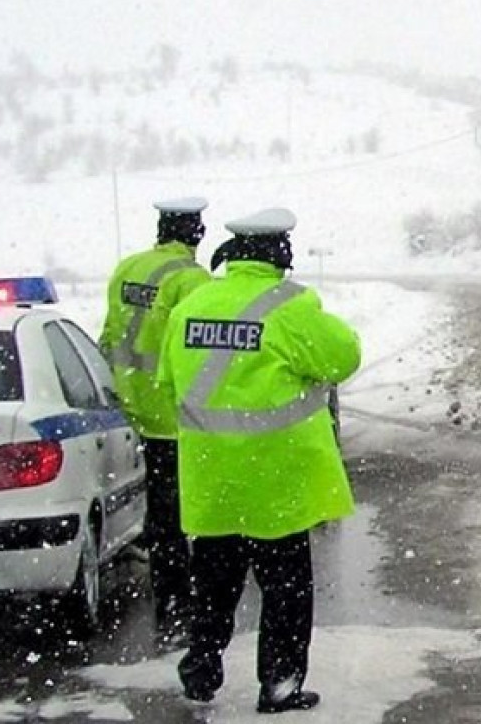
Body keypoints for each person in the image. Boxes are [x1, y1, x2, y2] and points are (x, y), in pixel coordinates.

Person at [158, 207, 361, 714]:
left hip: (212, 480)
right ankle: (279, 684)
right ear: (279, 253)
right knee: (286, 593)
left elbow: (168, 378)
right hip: (275, 482)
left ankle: (201, 669)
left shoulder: (193, 304)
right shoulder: (290, 307)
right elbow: (344, 357)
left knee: (213, 588)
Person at [99, 196, 212, 639]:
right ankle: (182, 605)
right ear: (196, 234)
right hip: (174, 416)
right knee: (185, 516)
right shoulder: (192, 280)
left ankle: (169, 603)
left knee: (160, 516)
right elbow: (198, 350)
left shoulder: (127, 268)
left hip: (130, 406)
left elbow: (110, 332)